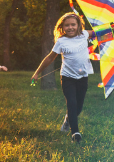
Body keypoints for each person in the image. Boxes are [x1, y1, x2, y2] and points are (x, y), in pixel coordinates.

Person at [32, 12, 94, 143]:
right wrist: (37, 72)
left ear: (79, 25)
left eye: (73, 24)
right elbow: (50, 57)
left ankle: (67, 120)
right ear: (62, 27)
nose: (70, 27)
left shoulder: (84, 35)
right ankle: (75, 133)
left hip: (83, 77)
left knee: (79, 107)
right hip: (67, 77)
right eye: (67, 25)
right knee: (71, 103)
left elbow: (101, 32)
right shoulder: (61, 41)